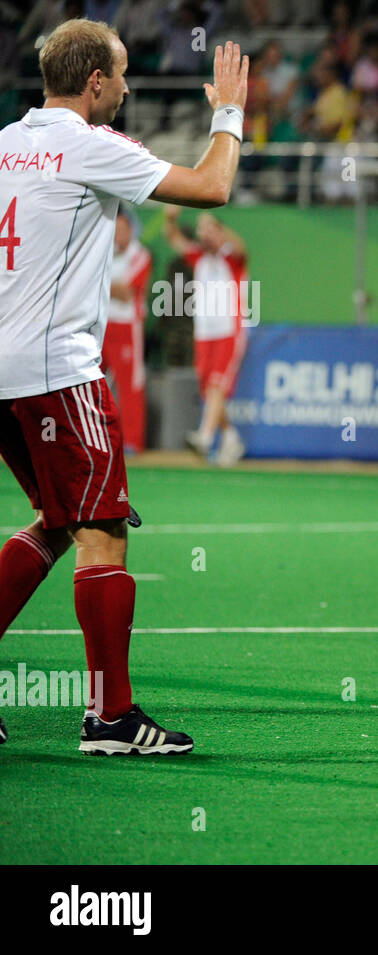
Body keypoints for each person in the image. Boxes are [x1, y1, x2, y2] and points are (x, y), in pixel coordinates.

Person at [0, 19, 247, 753]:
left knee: (56, 517)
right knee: (102, 530)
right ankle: (111, 716)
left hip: (4, 372)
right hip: (57, 371)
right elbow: (212, 186)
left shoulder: (8, 142)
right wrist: (229, 113)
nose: (131, 87)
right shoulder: (89, 145)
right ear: (96, 82)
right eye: (124, 74)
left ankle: (110, 712)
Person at [161, 205, 248, 466]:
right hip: (204, 333)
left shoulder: (231, 258)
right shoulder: (198, 257)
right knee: (208, 389)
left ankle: (206, 436)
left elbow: (241, 246)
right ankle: (231, 438)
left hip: (228, 331)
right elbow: (173, 238)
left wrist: (220, 233)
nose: (205, 233)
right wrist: (169, 218)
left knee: (216, 385)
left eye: (210, 228)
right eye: (202, 229)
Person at [103, 208, 151, 454]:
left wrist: (97, 282)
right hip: (100, 325)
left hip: (127, 327)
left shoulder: (140, 254)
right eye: (115, 230)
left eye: (122, 230)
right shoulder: (102, 252)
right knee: (90, 383)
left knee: (129, 385)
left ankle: (132, 440)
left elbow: (126, 292)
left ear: (130, 231)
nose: (118, 235)